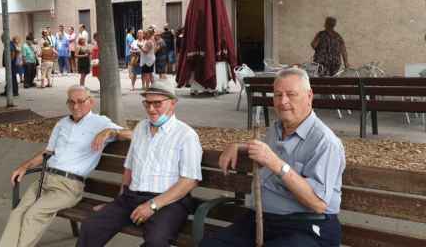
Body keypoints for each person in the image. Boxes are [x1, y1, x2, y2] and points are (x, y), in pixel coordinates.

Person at [200, 68, 346, 247]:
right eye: (278, 95)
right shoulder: (277, 129)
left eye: (291, 94)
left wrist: (276, 164)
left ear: (309, 96)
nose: (283, 101)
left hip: (307, 225)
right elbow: (269, 151)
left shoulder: (325, 142)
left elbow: (318, 204)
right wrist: (239, 146)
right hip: (262, 220)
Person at [0, 85, 131, 247]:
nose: (76, 106)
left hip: (68, 186)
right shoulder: (62, 124)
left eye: (81, 102)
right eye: (71, 102)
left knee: (34, 214)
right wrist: (25, 166)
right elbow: (48, 152)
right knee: (18, 212)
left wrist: (109, 132)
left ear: (91, 102)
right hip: (45, 179)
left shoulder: (100, 122)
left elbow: (132, 135)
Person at [76, 79, 202, 247]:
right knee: (91, 227)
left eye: (157, 104)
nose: (151, 109)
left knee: (155, 242)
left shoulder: (186, 135)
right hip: (131, 197)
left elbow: (190, 181)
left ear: (173, 103)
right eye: (147, 103)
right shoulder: (141, 128)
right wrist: (117, 202)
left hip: (168, 202)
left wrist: (153, 205)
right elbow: (129, 168)